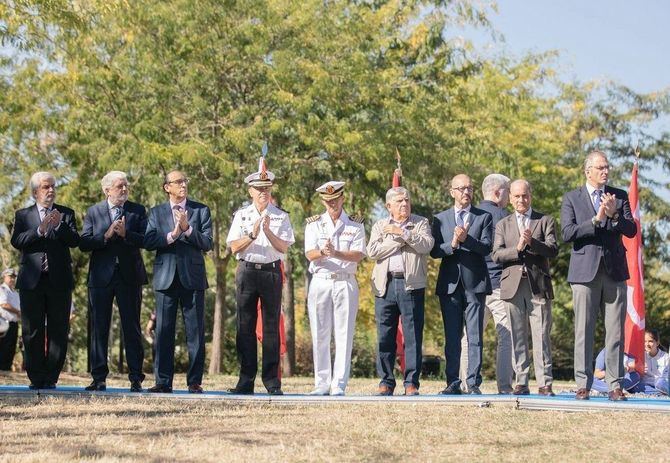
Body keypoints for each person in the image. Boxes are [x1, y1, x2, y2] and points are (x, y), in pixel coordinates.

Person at [561, 150, 637, 401]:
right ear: (588, 171)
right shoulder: (572, 198)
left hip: (614, 271)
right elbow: (567, 233)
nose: (605, 171)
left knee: (615, 331)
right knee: (584, 329)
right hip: (584, 272)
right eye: (600, 167)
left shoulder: (620, 196)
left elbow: (631, 230)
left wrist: (614, 213)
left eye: (607, 167)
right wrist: (596, 219)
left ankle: (615, 385)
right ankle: (583, 383)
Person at [226, 159, 294, 395]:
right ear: (250, 191)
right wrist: (252, 234)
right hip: (247, 271)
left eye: (266, 188)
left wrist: (267, 231)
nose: (263, 192)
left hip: (271, 271)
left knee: (271, 327)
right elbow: (234, 246)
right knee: (244, 327)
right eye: (258, 188)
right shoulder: (242, 215)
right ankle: (245, 380)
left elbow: (284, 247)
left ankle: (272, 382)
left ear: (270, 190)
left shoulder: (280, 216)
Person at [144, 170, 213, 393]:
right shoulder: (156, 212)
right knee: (164, 331)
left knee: (195, 332)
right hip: (165, 278)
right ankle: (163, 381)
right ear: (167, 187)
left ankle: (194, 381)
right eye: (178, 182)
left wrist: (188, 229)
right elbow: (149, 240)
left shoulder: (201, 210)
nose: (183, 185)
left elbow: (207, 243)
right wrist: (173, 235)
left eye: (185, 181)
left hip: (192, 278)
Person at [10, 171, 79, 389]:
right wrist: (39, 230)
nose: (51, 190)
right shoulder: (23, 215)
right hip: (32, 281)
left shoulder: (66, 213)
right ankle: (36, 377)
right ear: (34, 192)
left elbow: (75, 241)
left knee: (59, 330)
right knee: (32, 330)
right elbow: (17, 241)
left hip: (59, 281)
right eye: (45, 187)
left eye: (53, 186)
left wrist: (59, 226)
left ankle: (51, 377)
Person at [80, 171, 147, 392]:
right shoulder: (94, 212)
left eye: (126, 186)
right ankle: (98, 377)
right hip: (101, 277)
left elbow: (147, 239)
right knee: (99, 327)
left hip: (129, 276)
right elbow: (84, 243)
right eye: (119, 186)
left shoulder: (137, 210)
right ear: (107, 190)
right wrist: (106, 236)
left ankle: (136, 378)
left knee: (132, 327)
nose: (124, 189)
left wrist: (127, 233)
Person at [492, 179, 558, 396]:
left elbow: (552, 250)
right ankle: (521, 380)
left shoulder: (545, 220)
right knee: (517, 336)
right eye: (517, 196)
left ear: (531, 195)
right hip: (512, 286)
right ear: (510, 198)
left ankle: (544, 382)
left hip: (537, 285)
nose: (521, 200)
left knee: (541, 335)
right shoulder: (503, 224)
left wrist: (532, 243)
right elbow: (496, 254)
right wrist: (518, 248)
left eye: (525, 195)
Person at [368, 187, 433, 396]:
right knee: (385, 335)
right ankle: (386, 381)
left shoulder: (420, 222)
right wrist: (399, 238)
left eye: (406, 200)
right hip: (385, 285)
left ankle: (411, 383)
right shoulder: (380, 225)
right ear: (389, 206)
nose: (404, 204)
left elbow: (426, 246)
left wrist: (403, 232)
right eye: (398, 201)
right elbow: (372, 251)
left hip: (411, 284)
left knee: (412, 336)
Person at [431, 174, 493, 395]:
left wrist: (468, 239)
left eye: (469, 188)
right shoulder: (440, 219)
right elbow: (435, 250)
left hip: (475, 284)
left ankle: (473, 382)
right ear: (452, 192)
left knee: (475, 336)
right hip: (449, 286)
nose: (466, 192)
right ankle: (452, 382)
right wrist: (454, 244)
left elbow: (487, 248)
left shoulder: (483, 217)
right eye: (462, 188)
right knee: (452, 337)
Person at [304, 181, 366, 396]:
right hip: (321, 279)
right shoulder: (313, 224)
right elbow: (309, 253)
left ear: (342, 198)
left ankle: (338, 383)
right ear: (323, 201)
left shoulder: (355, 224)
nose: (333, 205)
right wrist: (323, 252)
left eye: (336, 200)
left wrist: (336, 253)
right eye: (328, 202)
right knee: (320, 333)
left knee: (344, 333)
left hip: (345, 280)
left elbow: (358, 254)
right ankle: (321, 382)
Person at [459, 173, 514, 394]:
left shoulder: (468, 215)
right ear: (499, 192)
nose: (510, 199)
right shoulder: (504, 216)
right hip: (499, 283)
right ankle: (504, 386)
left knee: (470, 336)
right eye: (509, 193)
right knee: (506, 336)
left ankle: (466, 383)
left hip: (474, 284)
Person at [0, 268, 21, 371]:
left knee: (11, 347)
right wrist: (17, 311)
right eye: (10, 277)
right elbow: (3, 304)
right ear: (4, 277)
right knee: (3, 346)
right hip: (4, 322)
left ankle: (6, 368)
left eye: (13, 277)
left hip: (14, 323)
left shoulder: (16, 293)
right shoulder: (2, 289)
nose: (12, 279)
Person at [642, 329, 669, 394]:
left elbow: (666, 378)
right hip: (646, 385)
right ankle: (659, 393)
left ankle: (660, 392)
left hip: (661, 384)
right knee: (637, 385)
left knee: (660, 383)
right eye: (645, 341)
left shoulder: (666, 357)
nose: (647, 344)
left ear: (657, 343)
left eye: (650, 341)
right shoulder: (641, 356)